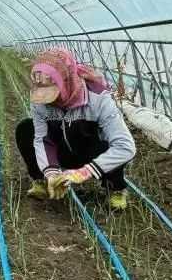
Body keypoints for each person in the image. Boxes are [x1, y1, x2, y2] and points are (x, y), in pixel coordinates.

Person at [15, 48, 136, 210]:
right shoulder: (40, 100)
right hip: (61, 150)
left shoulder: (98, 99)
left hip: (90, 154)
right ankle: (43, 180)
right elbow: (42, 139)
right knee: (25, 129)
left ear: (66, 82)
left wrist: (84, 172)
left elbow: (125, 147)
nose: (47, 99)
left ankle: (116, 188)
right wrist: (51, 173)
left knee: (104, 145)